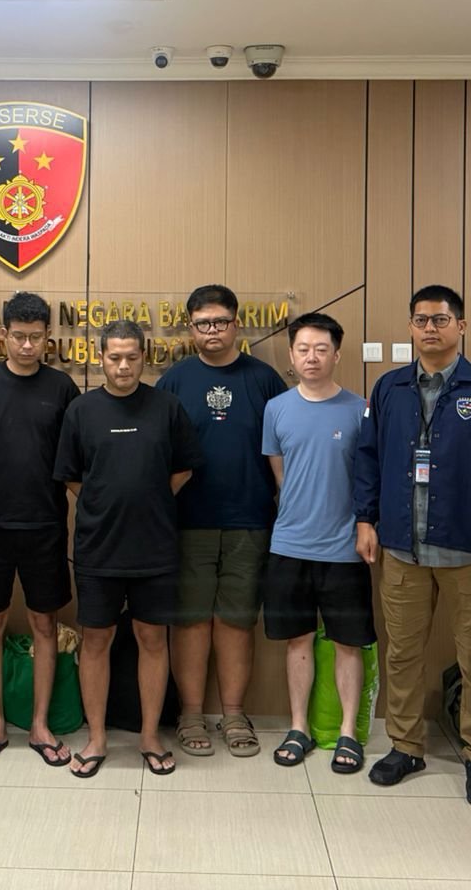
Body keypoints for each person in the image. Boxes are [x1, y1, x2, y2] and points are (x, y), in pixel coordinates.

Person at [353, 284, 471, 805]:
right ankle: (405, 745)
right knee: (403, 653)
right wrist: (365, 520)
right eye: (421, 320)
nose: (430, 328)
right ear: (410, 326)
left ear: (461, 326)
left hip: (468, 549)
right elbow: (368, 458)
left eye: (441, 319)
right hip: (401, 549)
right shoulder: (389, 388)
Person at [53, 319, 203, 778]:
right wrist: (105, 503)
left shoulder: (167, 407)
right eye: (114, 357)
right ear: (101, 358)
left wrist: (149, 499)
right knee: (96, 640)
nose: (123, 366)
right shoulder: (81, 410)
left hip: (154, 546)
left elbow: (184, 469)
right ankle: (97, 738)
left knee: (152, 639)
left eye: (132, 357)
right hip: (98, 547)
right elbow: (71, 476)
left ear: (144, 357)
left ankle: (150, 736)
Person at [157, 284, 286, 760]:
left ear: (237, 324)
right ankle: (191, 714)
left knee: (236, 620)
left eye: (220, 322)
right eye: (202, 323)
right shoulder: (174, 381)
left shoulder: (264, 379)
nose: (212, 331)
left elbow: (285, 447)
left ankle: (234, 714)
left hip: (250, 519)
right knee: (190, 621)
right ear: (190, 327)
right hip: (187, 521)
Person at [0, 292, 79, 769]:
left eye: (37, 337)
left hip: (45, 524)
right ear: (3, 334)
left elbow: (75, 458)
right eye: (19, 336)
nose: (28, 345)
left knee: (45, 624)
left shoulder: (63, 387)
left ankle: (41, 724)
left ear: (48, 336)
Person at [260, 312, 374, 773]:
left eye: (321, 349)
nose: (312, 357)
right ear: (291, 355)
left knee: (348, 642)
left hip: (345, 548)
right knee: (298, 640)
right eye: (303, 349)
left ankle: (348, 732)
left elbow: (368, 478)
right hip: (289, 544)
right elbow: (280, 475)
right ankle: (299, 727)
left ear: (337, 354)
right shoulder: (276, 409)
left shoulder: (360, 409)